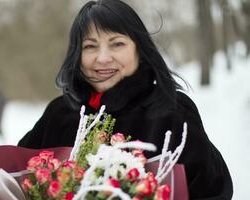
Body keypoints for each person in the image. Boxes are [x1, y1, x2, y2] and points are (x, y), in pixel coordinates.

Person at [18, 0, 233, 199]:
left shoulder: (171, 111)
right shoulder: (59, 114)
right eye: (90, 46)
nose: (102, 58)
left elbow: (212, 191)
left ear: (139, 49)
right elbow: (19, 182)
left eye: (117, 44)